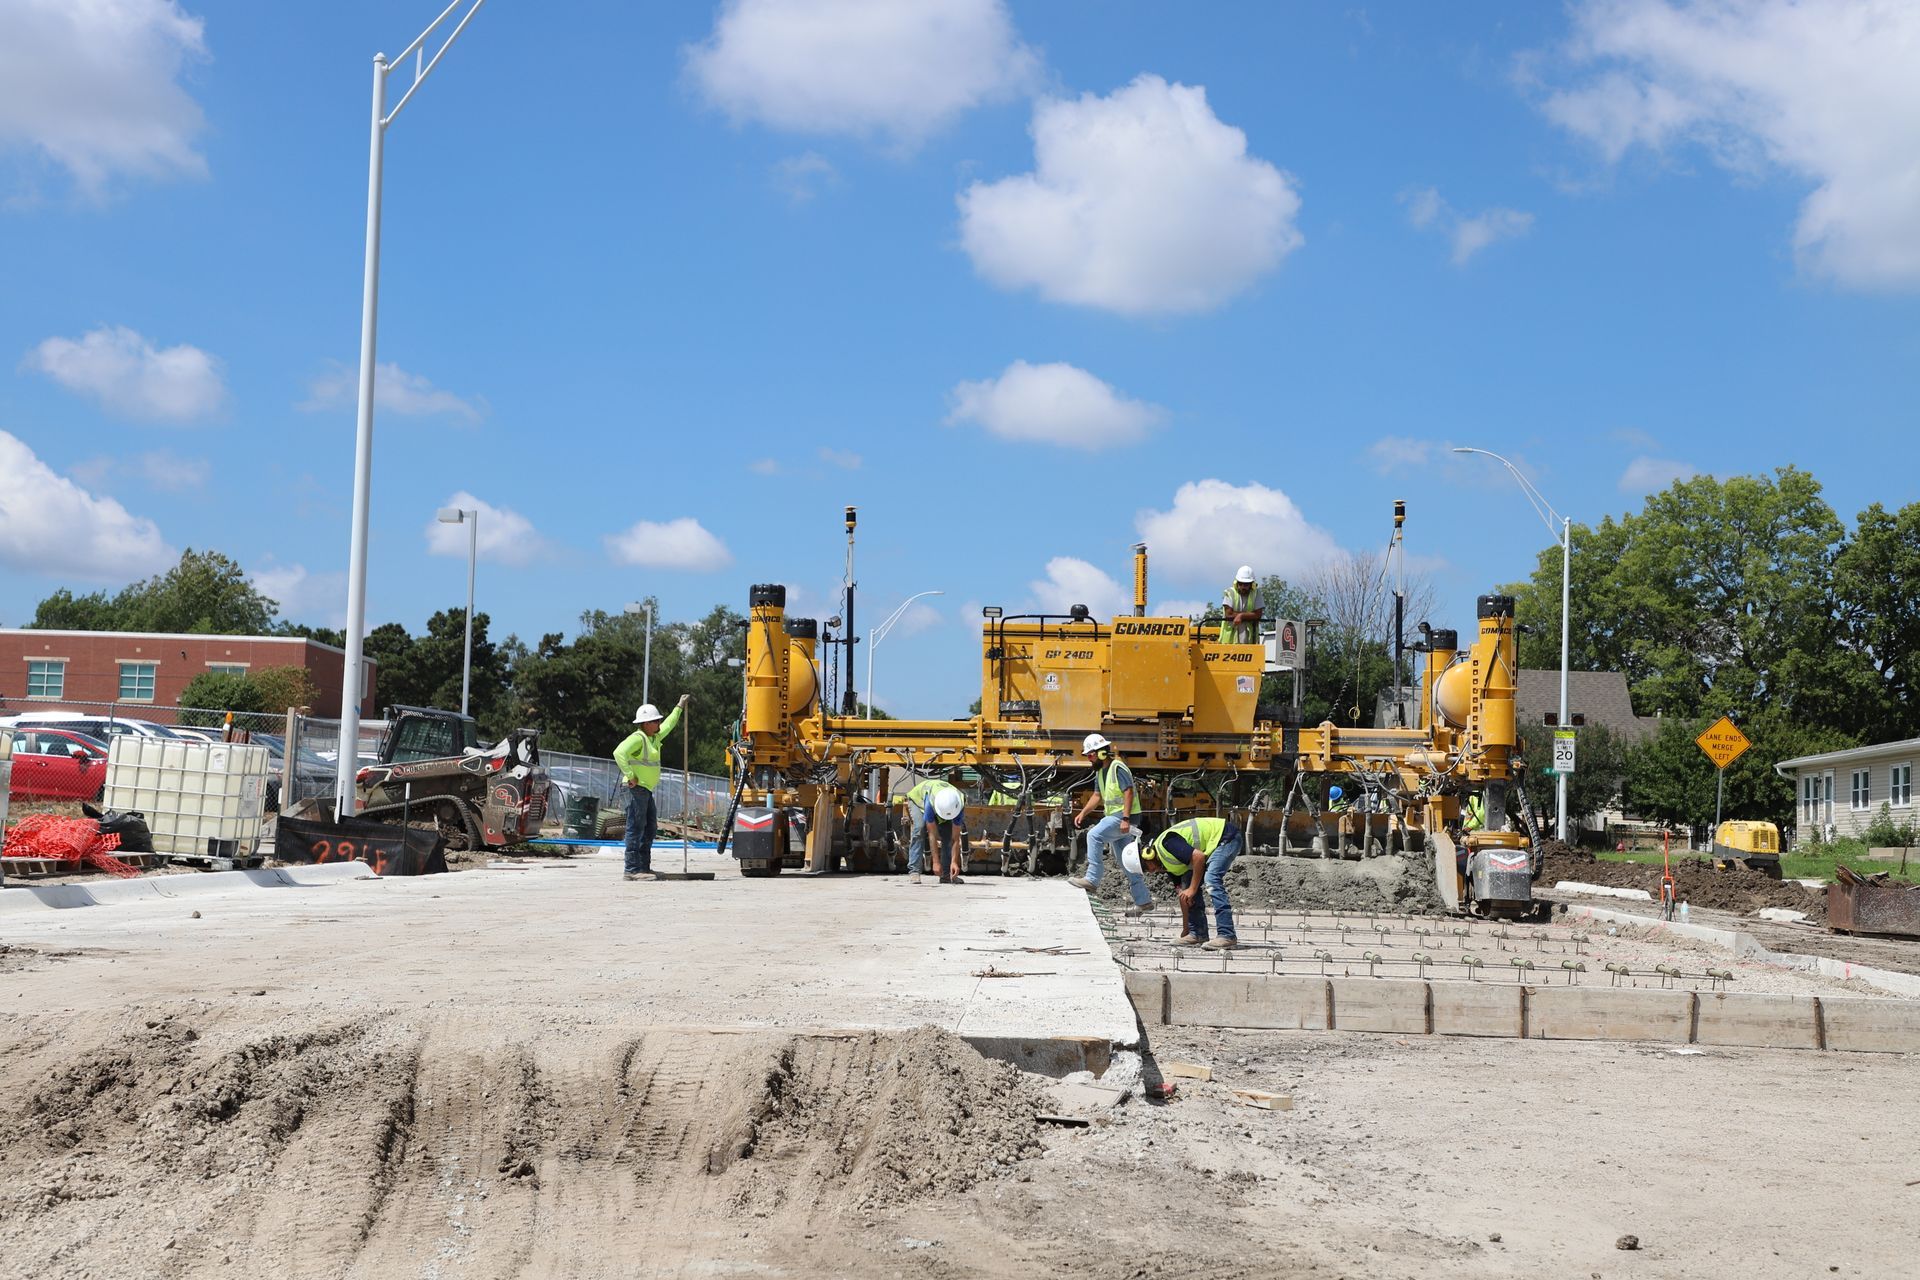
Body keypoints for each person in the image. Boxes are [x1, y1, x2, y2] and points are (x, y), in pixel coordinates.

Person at [1067, 733, 1153, 917]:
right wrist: (1083, 813)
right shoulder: (1100, 772)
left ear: (1101, 753)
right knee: (1125, 862)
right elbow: (1097, 796)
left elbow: (1128, 792)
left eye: (1090, 755)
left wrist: (1125, 818)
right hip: (1118, 817)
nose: (1089, 759)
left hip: (1123, 817)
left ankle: (1092, 879)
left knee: (1093, 835)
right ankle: (1143, 900)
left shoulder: (1117, 767)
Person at [613, 694, 688, 881]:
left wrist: (679, 707)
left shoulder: (654, 738)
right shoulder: (638, 738)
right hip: (634, 790)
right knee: (636, 828)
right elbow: (619, 752)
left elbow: (669, 724)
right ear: (646, 723)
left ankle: (643, 868)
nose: (659, 723)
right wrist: (630, 775)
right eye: (655, 721)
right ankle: (631, 870)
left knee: (649, 828)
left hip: (645, 790)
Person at [1142, 816, 1244, 949]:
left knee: (1212, 879)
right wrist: (1186, 930)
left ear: (1147, 855)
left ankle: (1227, 935)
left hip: (1226, 837)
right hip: (1214, 844)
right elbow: (1184, 894)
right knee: (1188, 883)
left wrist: (1193, 889)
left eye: (1145, 868)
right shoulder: (1166, 863)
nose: (1150, 872)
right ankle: (1197, 933)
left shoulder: (1167, 843)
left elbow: (1198, 857)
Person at [900, 776, 968, 884]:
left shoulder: (959, 803)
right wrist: (935, 862)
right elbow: (932, 835)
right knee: (919, 829)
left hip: (942, 806)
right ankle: (914, 871)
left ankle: (946, 875)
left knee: (948, 835)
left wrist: (954, 862)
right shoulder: (930, 804)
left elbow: (955, 838)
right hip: (918, 800)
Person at [1218, 565, 1263, 643]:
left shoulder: (1256, 593)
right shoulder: (1230, 592)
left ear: (1251, 584)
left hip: (1249, 639)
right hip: (1229, 641)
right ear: (1237, 583)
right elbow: (1229, 614)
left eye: (1246, 584)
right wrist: (1249, 615)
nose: (1242, 587)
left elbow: (1258, 614)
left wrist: (1241, 616)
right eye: (1240, 584)